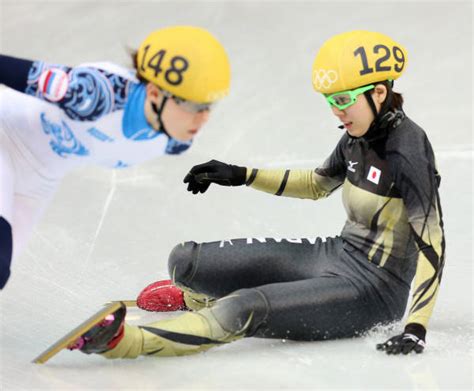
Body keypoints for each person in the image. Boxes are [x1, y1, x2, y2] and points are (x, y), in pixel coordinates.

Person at [70, 30, 445, 358]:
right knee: (186, 262)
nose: (336, 110)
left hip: (372, 292)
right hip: (333, 255)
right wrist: (239, 175)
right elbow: (317, 184)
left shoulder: (408, 151)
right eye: (330, 99)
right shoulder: (355, 137)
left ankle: (128, 342)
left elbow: (432, 244)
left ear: (379, 92)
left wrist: (417, 326)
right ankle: (199, 299)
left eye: (344, 99)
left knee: (245, 306)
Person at [0, 26, 231, 289]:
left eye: (209, 107)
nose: (203, 119)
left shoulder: (177, 140)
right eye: (193, 105)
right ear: (155, 93)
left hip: (39, 181)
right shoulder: (96, 93)